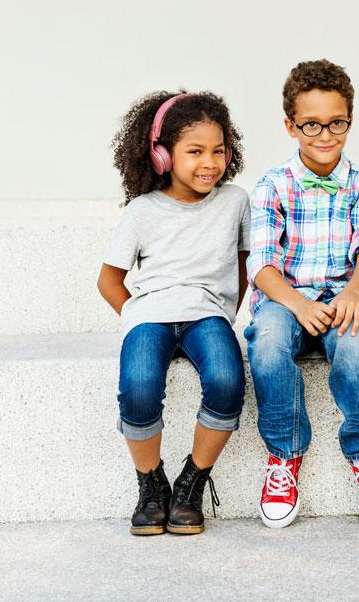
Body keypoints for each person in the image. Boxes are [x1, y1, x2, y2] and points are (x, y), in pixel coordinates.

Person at [245, 59, 359, 529]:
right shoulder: (273, 184)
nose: (325, 135)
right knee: (268, 342)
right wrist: (297, 302)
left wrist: (354, 293)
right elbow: (262, 263)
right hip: (287, 299)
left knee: (353, 346)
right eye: (311, 124)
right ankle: (284, 455)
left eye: (337, 123)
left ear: (349, 121)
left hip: (344, 295)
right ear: (290, 125)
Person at [98, 90, 249, 535]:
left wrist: (224, 313)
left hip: (208, 315)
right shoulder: (142, 211)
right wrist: (138, 317)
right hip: (150, 315)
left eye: (218, 150)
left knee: (226, 380)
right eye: (195, 151)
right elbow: (108, 280)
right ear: (162, 156)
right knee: (139, 388)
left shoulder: (235, 201)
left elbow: (244, 267)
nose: (210, 162)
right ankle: (151, 485)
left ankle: (192, 482)